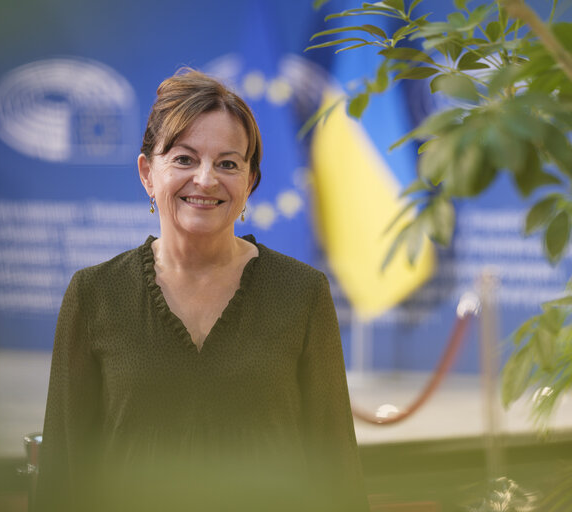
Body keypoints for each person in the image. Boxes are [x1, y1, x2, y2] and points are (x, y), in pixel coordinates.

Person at [34, 68, 369, 512]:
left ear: (250, 182)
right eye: (185, 159)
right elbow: (63, 477)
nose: (207, 179)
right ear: (147, 173)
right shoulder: (94, 295)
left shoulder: (302, 293)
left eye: (228, 163)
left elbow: (336, 474)